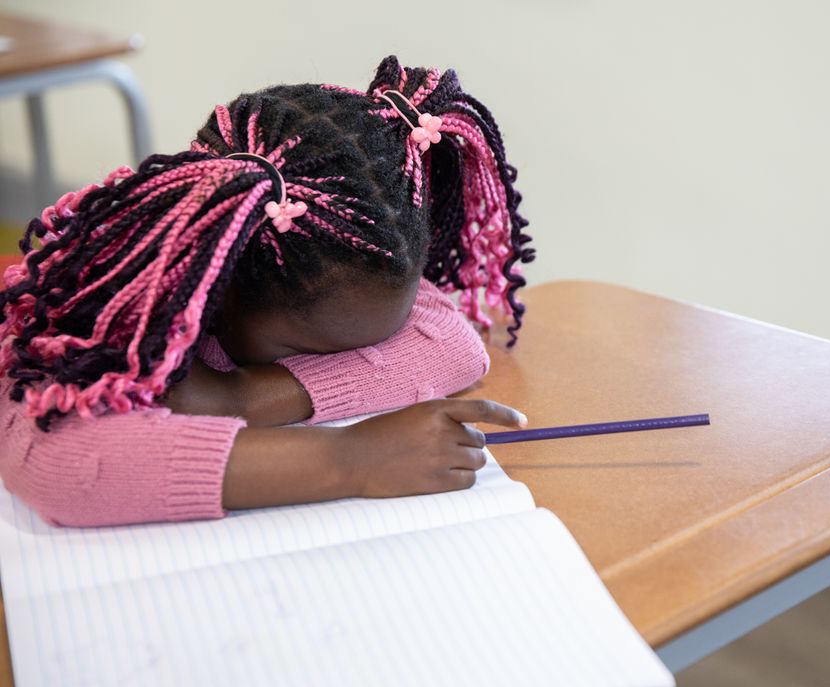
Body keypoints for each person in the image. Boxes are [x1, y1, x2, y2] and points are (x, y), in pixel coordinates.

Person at [0, 56, 534, 528]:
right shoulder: (106, 304)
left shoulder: (341, 259)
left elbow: (450, 342)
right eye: (319, 352)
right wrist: (349, 459)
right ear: (220, 284)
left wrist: (244, 397)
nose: (355, 356)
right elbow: (58, 462)